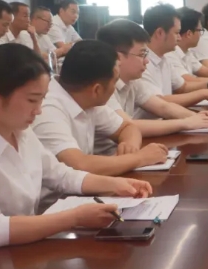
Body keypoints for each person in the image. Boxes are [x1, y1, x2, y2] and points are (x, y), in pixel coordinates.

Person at [0, 44, 153, 250]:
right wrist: (75, 217)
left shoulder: (20, 132)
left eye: (42, 99)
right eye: (32, 100)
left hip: (23, 247)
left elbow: (61, 175)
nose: (38, 110)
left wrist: (116, 184)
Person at [31, 40, 169, 176]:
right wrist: (140, 158)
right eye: (115, 81)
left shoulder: (86, 97)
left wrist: (129, 146)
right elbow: (78, 165)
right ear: (97, 90)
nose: (115, 88)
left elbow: (128, 127)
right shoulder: (47, 109)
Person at [96, 19, 208, 136]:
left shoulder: (133, 82)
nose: (147, 61)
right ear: (118, 57)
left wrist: (196, 117)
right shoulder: (101, 87)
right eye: (142, 54)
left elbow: (163, 107)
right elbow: (127, 126)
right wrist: (185, 123)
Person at [139, 4, 208, 109]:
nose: (179, 38)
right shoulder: (142, 62)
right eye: (176, 33)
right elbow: (160, 102)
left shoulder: (164, 58)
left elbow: (182, 86)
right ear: (160, 33)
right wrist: (204, 93)